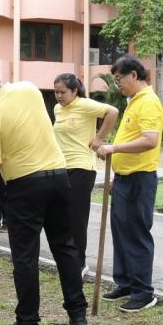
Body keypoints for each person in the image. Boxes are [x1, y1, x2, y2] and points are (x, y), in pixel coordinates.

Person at [0, 65, 88, 325]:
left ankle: (28, 323)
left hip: (25, 186)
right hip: (59, 178)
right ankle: (77, 313)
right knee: (65, 247)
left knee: (25, 256)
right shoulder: (29, 89)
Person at [96, 56, 163, 313]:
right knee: (121, 232)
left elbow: (149, 141)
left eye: (119, 79)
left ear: (134, 75)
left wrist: (113, 147)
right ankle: (125, 283)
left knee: (136, 234)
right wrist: (117, 173)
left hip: (140, 179)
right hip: (125, 178)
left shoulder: (148, 102)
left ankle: (143, 292)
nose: (118, 85)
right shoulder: (134, 102)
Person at [53, 73, 119, 269]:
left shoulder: (84, 104)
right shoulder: (58, 109)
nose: (58, 96)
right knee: (62, 216)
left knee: (76, 218)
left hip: (82, 168)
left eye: (62, 92)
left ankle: (78, 265)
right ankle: (68, 261)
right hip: (62, 168)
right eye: (56, 92)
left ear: (74, 91)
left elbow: (113, 112)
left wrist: (99, 138)